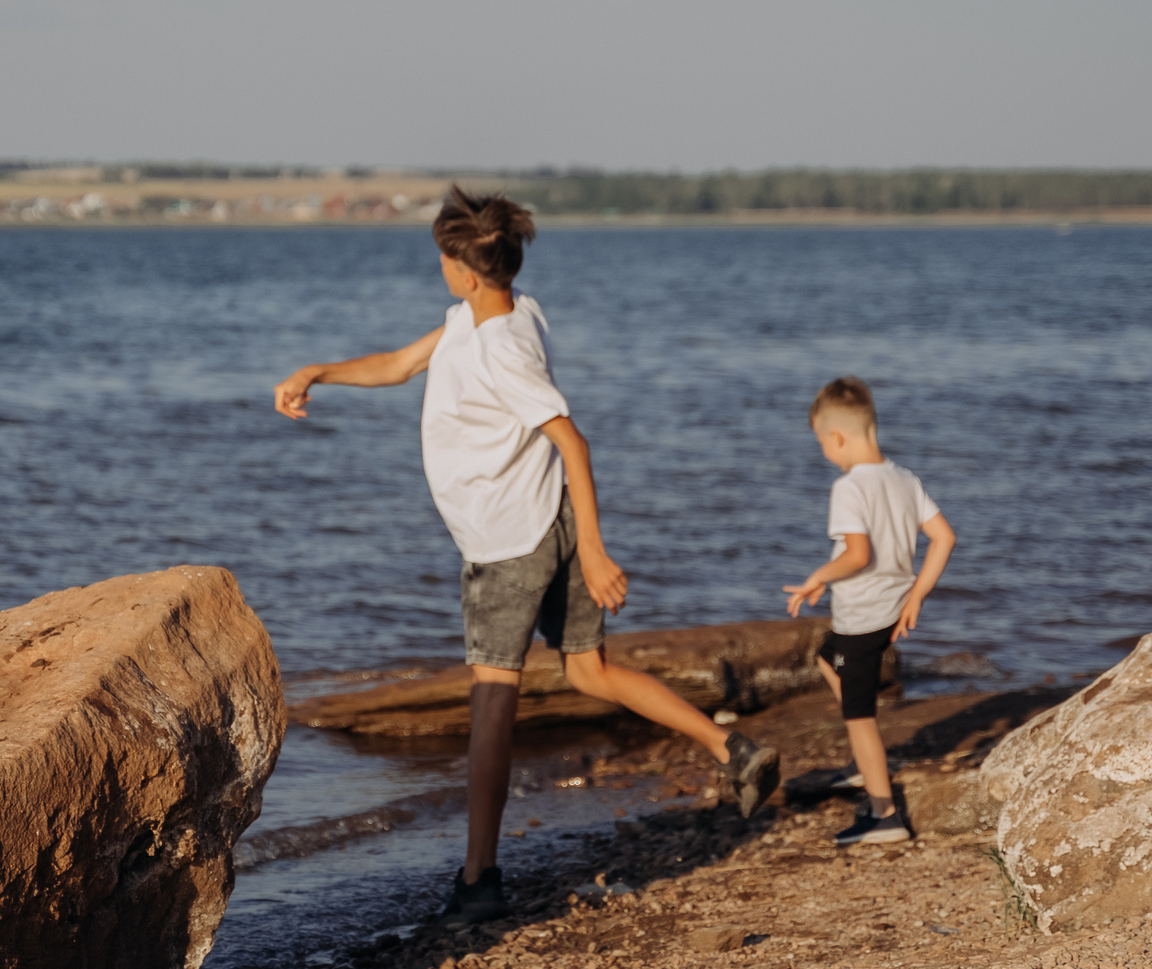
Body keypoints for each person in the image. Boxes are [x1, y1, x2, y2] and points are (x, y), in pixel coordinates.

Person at [273, 186, 780, 925]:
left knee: (491, 710)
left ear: (466, 269)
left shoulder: (501, 348)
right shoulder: (498, 316)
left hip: (509, 545)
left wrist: (600, 553)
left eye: (445, 256)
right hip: (549, 522)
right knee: (588, 671)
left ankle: (479, 877)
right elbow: (399, 363)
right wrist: (318, 370)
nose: (440, 265)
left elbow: (571, 440)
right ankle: (729, 745)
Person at [782, 376, 957, 846]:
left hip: (863, 620)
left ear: (836, 437)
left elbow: (857, 555)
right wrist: (917, 593)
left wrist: (819, 577)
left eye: (822, 443)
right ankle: (867, 764)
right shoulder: (903, 478)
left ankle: (885, 815)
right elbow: (944, 537)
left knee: (859, 719)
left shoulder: (850, 487)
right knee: (825, 657)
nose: (824, 453)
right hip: (889, 611)